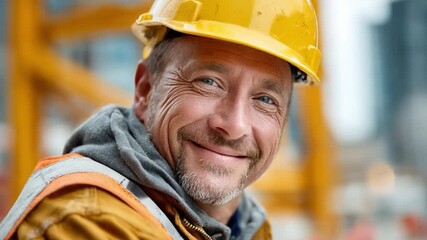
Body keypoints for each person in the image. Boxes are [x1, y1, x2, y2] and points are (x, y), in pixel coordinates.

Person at [0, 0, 321, 239]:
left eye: (265, 100)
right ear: (144, 89)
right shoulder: (86, 219)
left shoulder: (242, 227)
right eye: (208, 82)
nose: (234, 124)